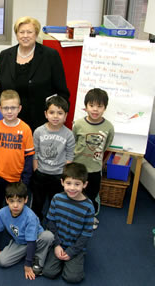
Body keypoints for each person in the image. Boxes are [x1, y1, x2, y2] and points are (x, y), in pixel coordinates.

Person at [0, 16, 69, 131]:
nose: (25, 36)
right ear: (16, 34)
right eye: (21, 32)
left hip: (42, 123)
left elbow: (62, 92)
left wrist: (58, 116)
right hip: (10, 121)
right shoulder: (5, 55)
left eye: (29, 32)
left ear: (36, 34)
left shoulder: (50, 55)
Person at [0, 182, 54, 280]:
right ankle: (28, 253)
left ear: (26, 200)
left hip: (35, 239)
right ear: (6, 200)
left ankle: (38, 256)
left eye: (19, 201)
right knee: (1, 261)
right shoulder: (2, 213)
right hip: (20, 242)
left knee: (48, 236)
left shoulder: (30, 217)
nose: (15, 205)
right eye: (12, 201)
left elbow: (31, 242)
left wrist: (27, 265)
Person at [42, 162, 94, 283]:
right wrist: (57, 245)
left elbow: (86, 234)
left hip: (75, 246)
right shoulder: (57, 198)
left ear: (85, 184)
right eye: (68, 183)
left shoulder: (88, 207)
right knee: (48, 272)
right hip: (58, 242)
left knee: (72, 278)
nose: (72, 188)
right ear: (62, 182)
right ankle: (61, 258)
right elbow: (50, 222)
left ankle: (74, 260)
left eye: (77, 184)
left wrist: (72, 251)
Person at [0, 90, 35, 212]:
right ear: (0, 109)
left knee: (14, 206)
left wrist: (25, 179)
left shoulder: (26, 129)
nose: (9, 111)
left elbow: (29, 157)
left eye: (13, 108)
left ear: (19, 108)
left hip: (17, 178)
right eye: (6, 108)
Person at [73, 88, 114, 229]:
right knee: (75, 191)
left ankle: (91, 217)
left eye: (99, 106)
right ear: (86, 106)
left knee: (92, 194)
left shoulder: (109, 127)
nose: (95, 110)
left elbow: (106, 144)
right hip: (78, 167)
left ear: (105, 108)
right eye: (91, 105)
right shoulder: (78, 124)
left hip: (95, 168)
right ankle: (74, 215)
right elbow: (73, 142)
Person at [31, 96, 75, 222]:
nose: (55, 116)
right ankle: (35, 222)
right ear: (46, 114)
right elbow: (35, 152)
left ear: (66, 115)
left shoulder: (68, 134)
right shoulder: (39, 131)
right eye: (52, 112)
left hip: (58, 175)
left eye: (60, 113)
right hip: (41, 173)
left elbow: (70, 155)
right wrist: (36, 170)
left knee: (55, 202)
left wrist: (64, 174)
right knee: (37, 202)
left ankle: (52, 224)